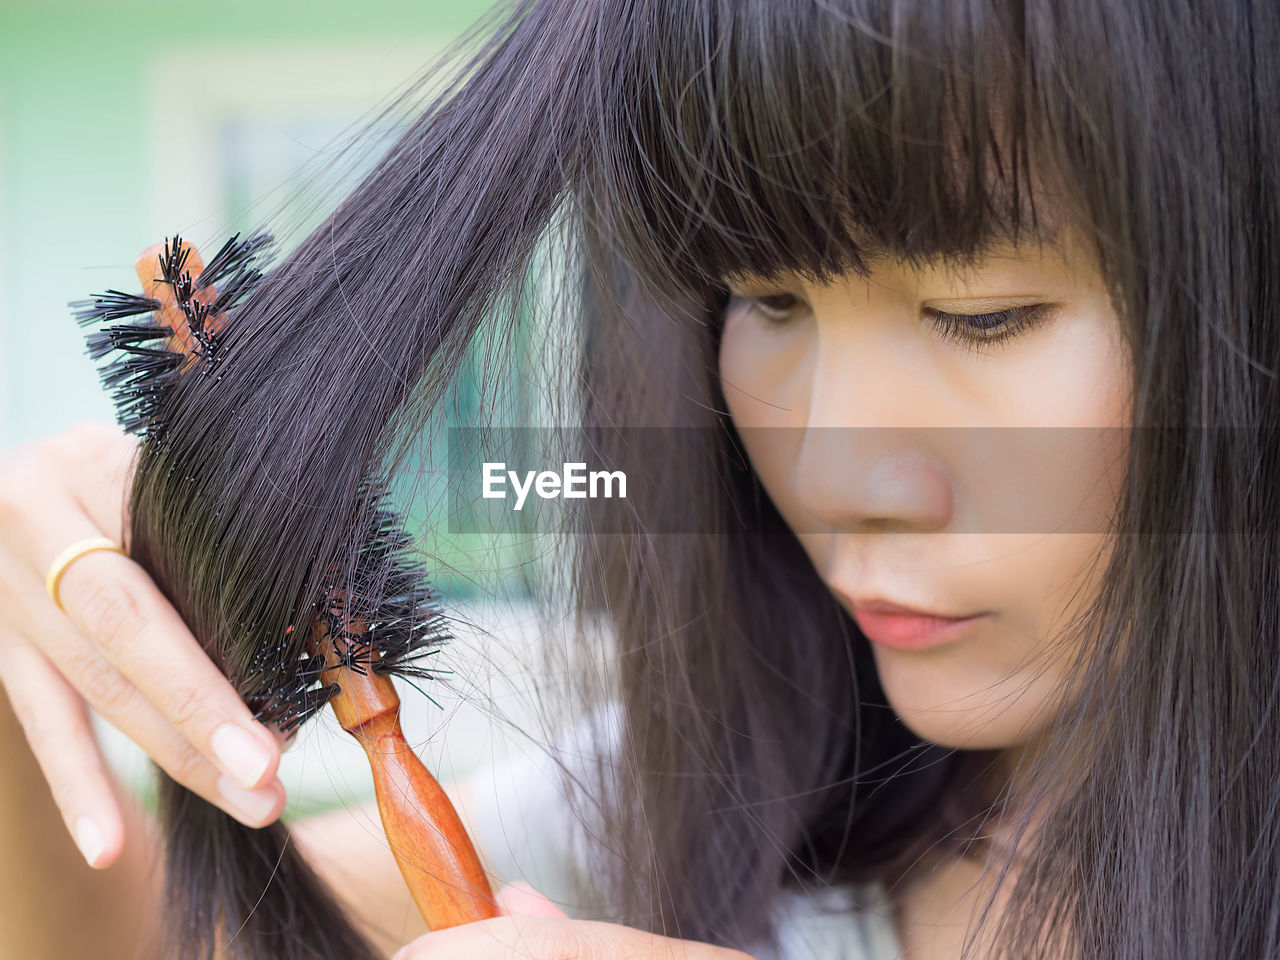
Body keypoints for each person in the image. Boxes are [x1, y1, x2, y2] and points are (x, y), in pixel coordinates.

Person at [2, 0, 1278, 957]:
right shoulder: (704, 791)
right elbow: (122, 939)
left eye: (981, 313)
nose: (833, 475)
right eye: (765, 298)